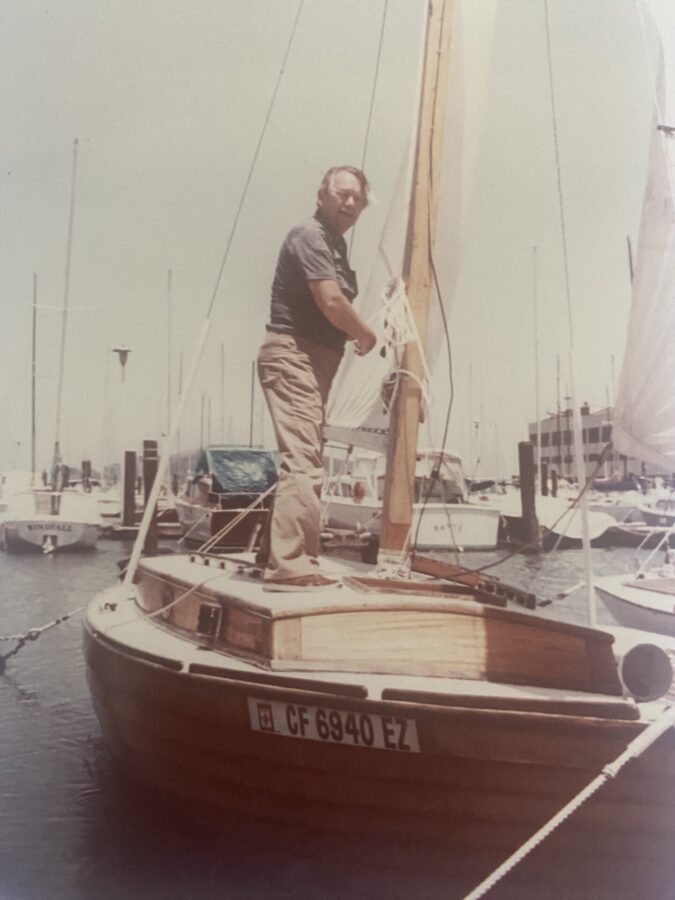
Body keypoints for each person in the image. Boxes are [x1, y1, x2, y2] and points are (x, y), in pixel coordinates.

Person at [257, 166, 377, 592]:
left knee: (304, 456)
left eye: (357, 200)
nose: (349, 204)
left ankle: (272, 555)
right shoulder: (309, 236)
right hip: (294, 353)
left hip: (316, 359)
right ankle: (290, 571)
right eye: (342, 195)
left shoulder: (334, 244)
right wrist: (363, 331)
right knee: (304, 463)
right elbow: (330, 299)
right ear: (322, 195)